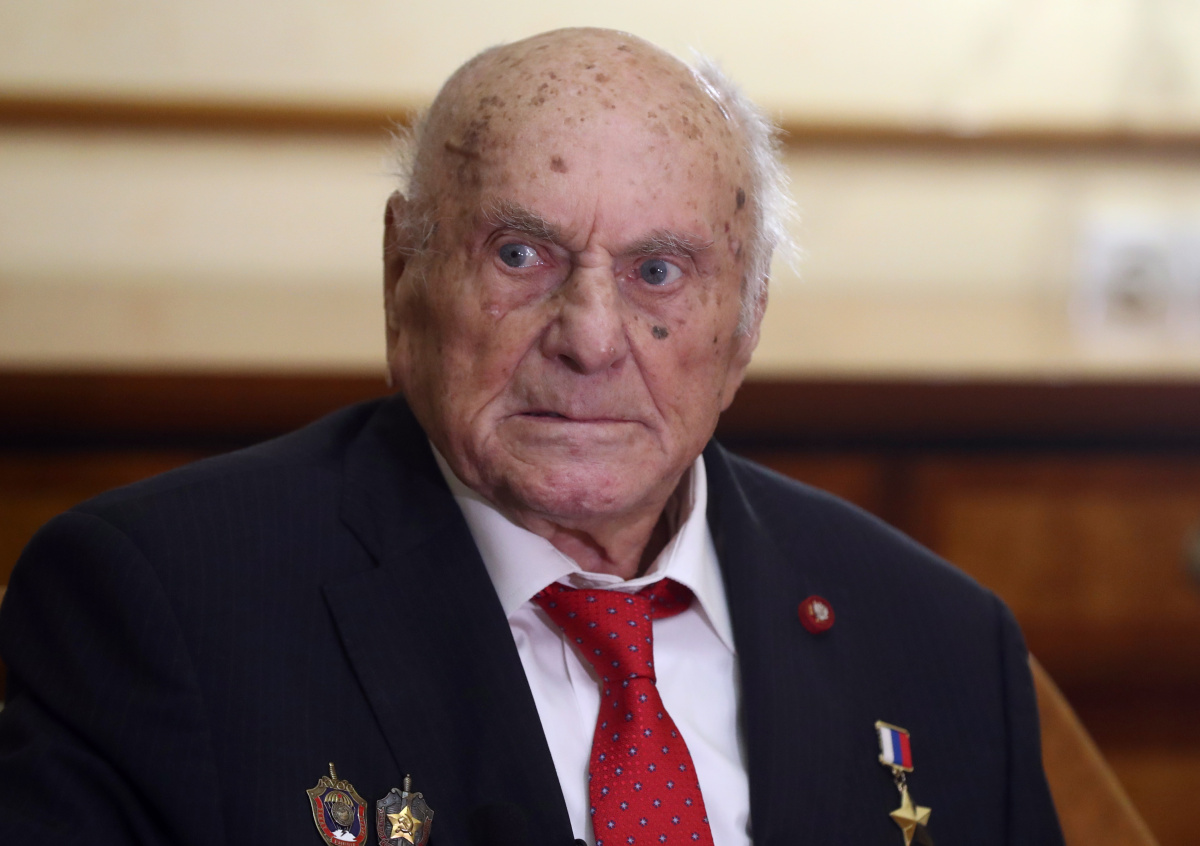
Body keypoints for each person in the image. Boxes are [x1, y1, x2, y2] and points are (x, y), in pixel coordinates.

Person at [0, 28, 1063, 846]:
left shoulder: (943, 644)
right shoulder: (155, 609)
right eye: (520, 254)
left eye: (658, 272)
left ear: (747, 321)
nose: (590, 339)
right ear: (402, 277)